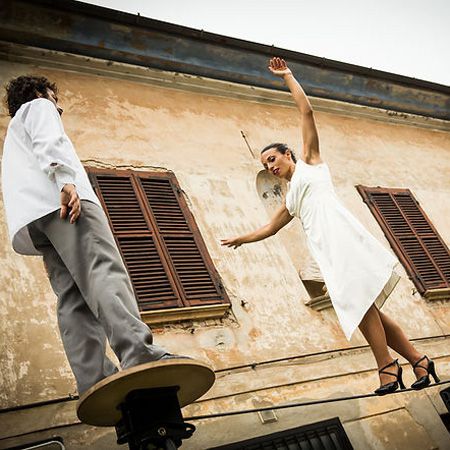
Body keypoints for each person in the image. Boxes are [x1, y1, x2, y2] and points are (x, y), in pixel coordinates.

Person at [221, 58, 440, 395]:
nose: (270, 166)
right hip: (327, 251)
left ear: (288, 154)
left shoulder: (311, 163)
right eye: (265, 164)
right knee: (370, 310)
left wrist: (288, 76)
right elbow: (270, 228)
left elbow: (306, 113)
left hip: (343, 240)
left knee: (359, 302)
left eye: (273, 159)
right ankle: (418, 359)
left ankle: (386, 367)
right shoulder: (291, 197)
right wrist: (241, 239)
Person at [1, 75, 178, 395]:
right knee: (103, 272)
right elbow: (50, 142)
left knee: (71, 297)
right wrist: (66, 181)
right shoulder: (40, 107)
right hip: (64, 202)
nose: (60, 107)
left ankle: (92, 377)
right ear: (41, 93)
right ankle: (138, 351)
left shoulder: (12, 135)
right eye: (55, 98)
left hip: (35, 220)